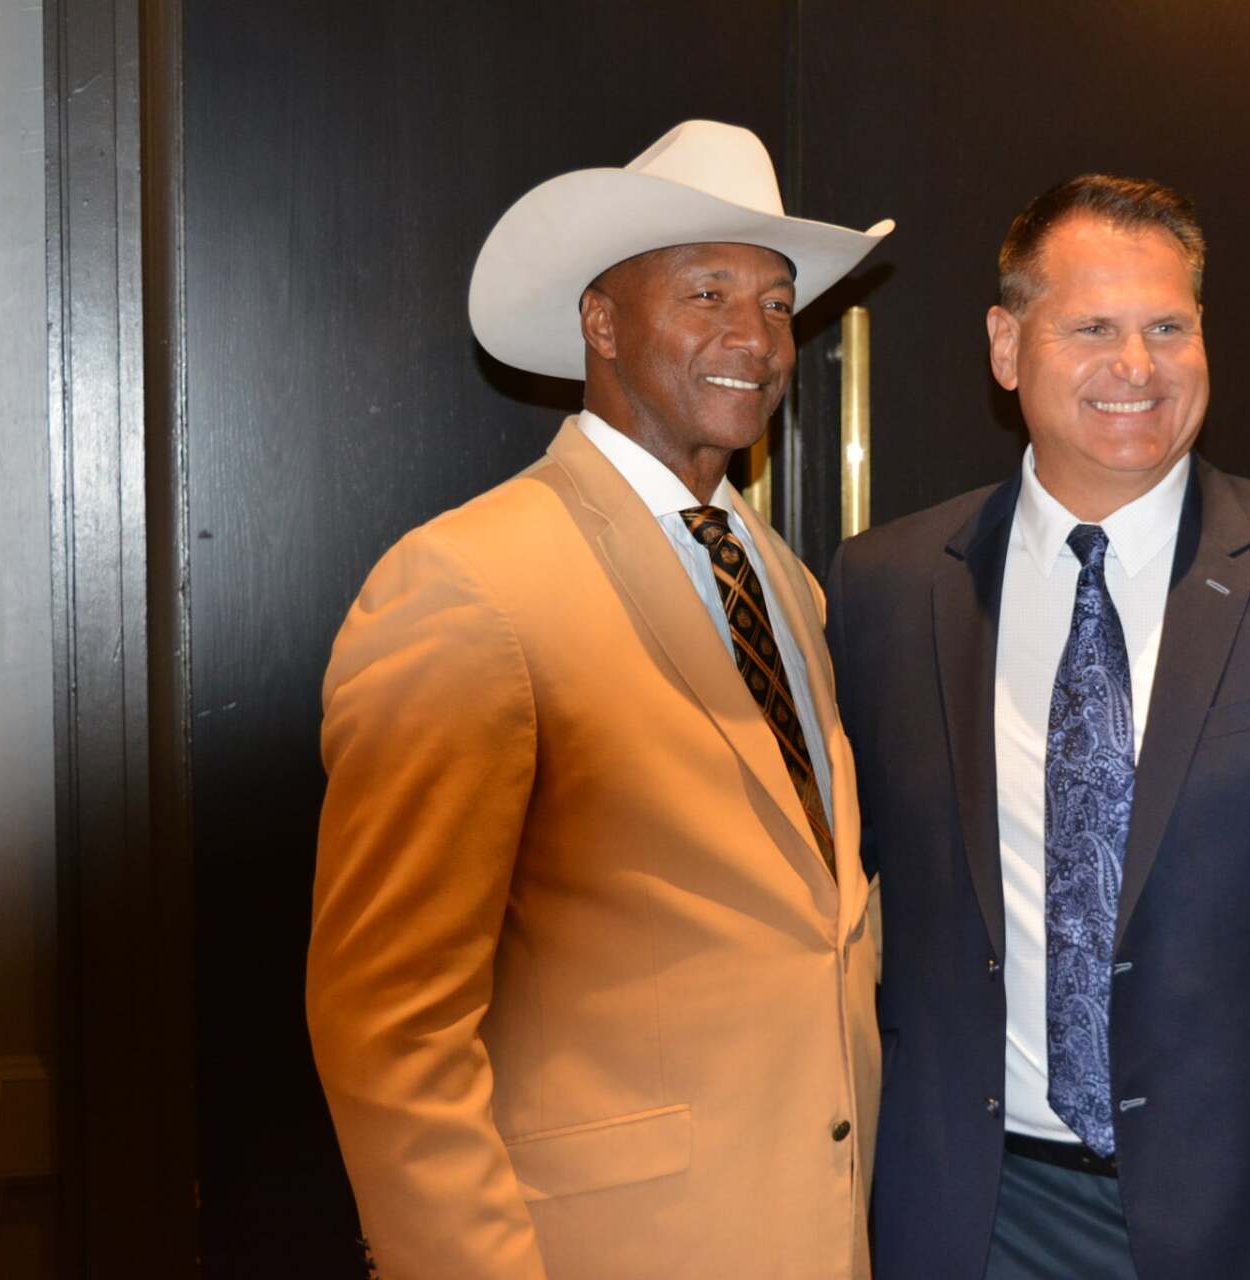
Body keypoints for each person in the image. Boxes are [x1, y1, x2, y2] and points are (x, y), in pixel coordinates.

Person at [826, 175, 1250, 1279]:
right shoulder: (887, 586)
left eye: (1167, 327)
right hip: (973, 1210)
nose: (1135, 368)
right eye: (1091, 327)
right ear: (1008, 346)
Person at [307, 120, 893, 1280]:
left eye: (777, 302)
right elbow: (391, 1026)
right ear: (602, 320)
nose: (755, 336)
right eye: (708, 290)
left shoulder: (786, 582)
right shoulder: (468, 584)